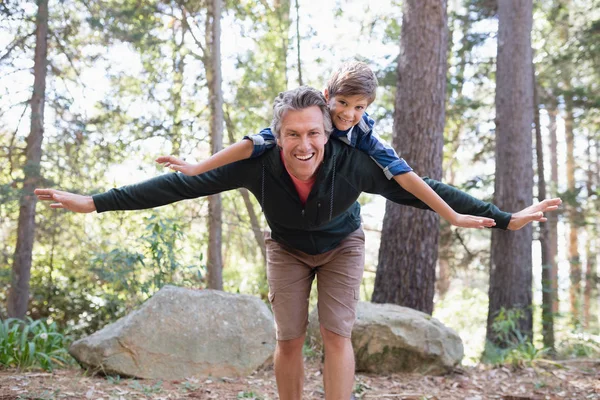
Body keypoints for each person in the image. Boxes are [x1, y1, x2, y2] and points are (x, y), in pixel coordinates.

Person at [35, 86, 561, 400]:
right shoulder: (256, 162)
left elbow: (429, 192)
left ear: (327, 133)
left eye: (313, 133)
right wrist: (95, 201)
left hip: (342, 246)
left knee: (337, 334)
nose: (304, 144)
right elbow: (178, 185)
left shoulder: (356, 163)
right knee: (289, 339)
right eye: (293, 134)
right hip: (285, 248)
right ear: (277, 135)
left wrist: (505, 217)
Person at [157, 61, 494, 229]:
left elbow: (406, 178)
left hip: (340, 227)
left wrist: (452, 216)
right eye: (344, 103)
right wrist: (198, 167)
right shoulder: (304, 119)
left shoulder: (362, 135)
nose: (349, 114)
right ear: (327, 96)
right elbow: (252, 143)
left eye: (360, 107)